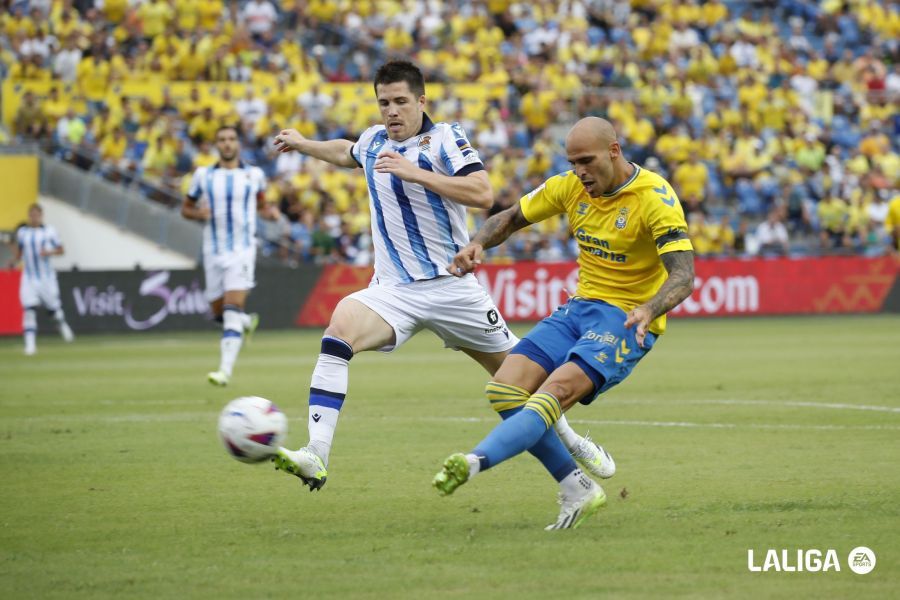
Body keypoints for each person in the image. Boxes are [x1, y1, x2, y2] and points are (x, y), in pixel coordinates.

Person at [271, 61, 609, 492]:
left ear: (421, 101)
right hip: (393, 290)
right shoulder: (375, 141)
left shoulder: (446, 139)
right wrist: (303, 144)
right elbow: (345, 151)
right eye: (383, 103)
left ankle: (573, 443)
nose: (391, 112)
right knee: (338, 333)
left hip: (452, 288)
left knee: (522, 383)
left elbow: (483, 193)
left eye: (400, 102)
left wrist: (414, 172)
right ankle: (316, 453)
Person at [433, 117, 696, 530]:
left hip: (625, 319)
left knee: (551, 394)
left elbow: (683, 275)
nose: (579, 171)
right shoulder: (570, 186)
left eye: (586, 161)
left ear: (614, 150)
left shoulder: (654, 198)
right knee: (504, 389)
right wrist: (478, 242)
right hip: (579, 308)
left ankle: (474, 460)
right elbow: (511, 217)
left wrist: (649, 308)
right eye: (573, 162)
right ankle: (577, 485)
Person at [181, 125, 271, 386]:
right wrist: (200, 214)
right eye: (222, 140)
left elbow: (262, 203)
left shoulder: (254, 174)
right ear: (216, 145)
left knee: (231, 309)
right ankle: (245, 321)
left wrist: (271, 213)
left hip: (242, 250)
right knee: (218, 311)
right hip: (213, 251)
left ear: (238, 143)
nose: (228, 144)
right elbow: (186, 208)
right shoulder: (202, 176)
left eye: (232, 139)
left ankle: (224, 371)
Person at [10, 204, 75, 355]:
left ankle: (62, 324)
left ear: (41, 215)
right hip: (29, 277)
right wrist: (13, 261)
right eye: (31, 214)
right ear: (28, 216)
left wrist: (49, 252)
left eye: (36, 214)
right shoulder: (22, 232)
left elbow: (61, 250)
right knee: (29, 310)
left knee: (53, 309)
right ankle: (30, 346)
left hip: (46, 277)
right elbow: (20, 253)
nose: (34, 217)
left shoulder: (49, 231)